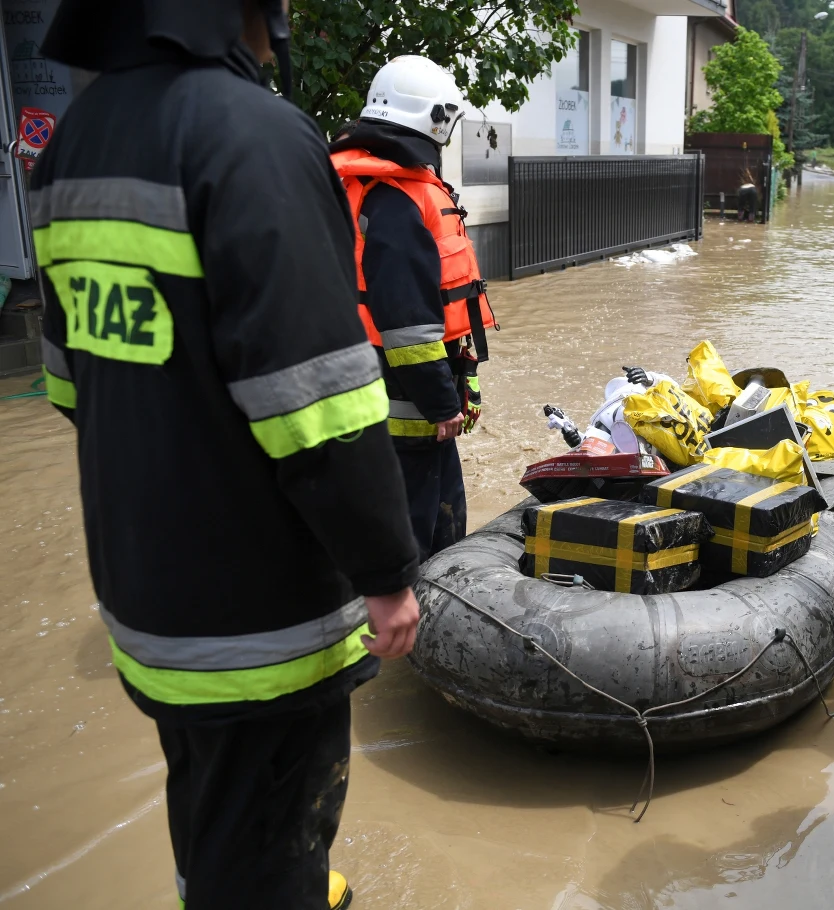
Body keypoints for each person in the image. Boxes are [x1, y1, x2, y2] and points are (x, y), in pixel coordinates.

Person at [33, 1, 421, 907]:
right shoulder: (252, 137)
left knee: (208, 804)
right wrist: (388, 572)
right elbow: (322, 403)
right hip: (263, 619)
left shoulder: (73, 145)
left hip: (147, 600)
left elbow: (68, 387)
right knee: (273, 838)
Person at [330, 56, 497, 561]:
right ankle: (415, 630)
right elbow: (408, 324)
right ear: (436, 119)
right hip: (406, 406)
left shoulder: (356, 183)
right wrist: (442, 404)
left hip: (366, 387)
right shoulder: (397, 198)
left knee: (411, 524)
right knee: (420, 541)